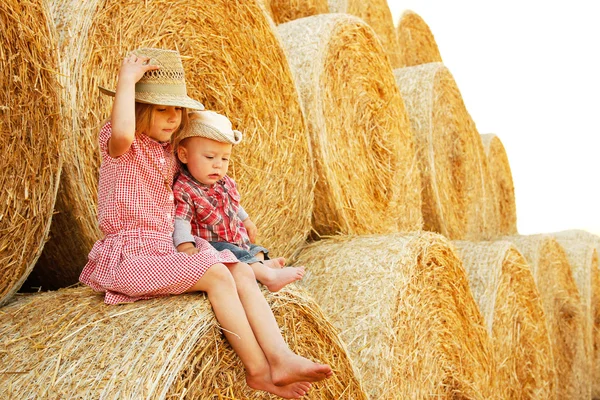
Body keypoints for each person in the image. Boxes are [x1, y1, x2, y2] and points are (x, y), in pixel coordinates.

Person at [79, 47, 332, 399]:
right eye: (162, 109)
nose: (172, 118)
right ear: (137, 109)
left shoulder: (167, 153)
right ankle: (257, 370)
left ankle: (281, 356)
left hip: (162, 252)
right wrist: (126, 82)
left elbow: (202, 159)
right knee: (216, 273)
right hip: (131, 257)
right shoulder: (123, 147)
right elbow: (123, 130)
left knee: (238, 269)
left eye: (177, 111)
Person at [172, 110, 305, 292]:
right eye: (210, 157)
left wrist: (246, 220)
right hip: (212, 244)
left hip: (234, 239)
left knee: (254, 248)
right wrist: (185, 245)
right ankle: (268, 276)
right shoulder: (185, 188)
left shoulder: (223, 182)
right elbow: (181, 220)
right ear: (184, 155)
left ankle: (262, 264)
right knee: (236, 254)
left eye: (225, 158)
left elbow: (234, 204)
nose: (218, 164)